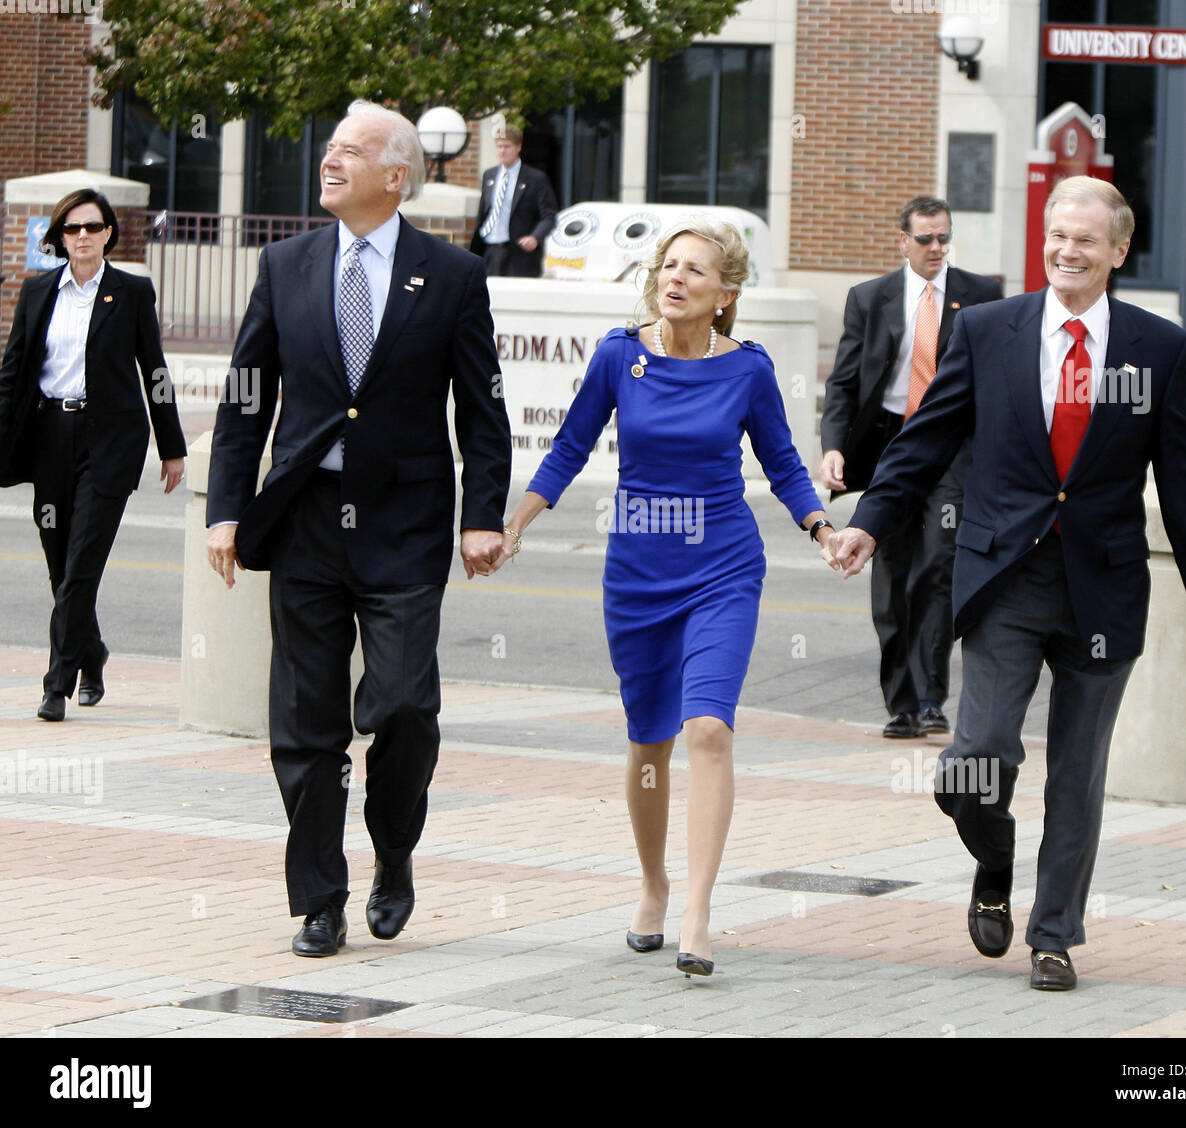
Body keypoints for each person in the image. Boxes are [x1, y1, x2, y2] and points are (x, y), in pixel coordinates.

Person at [833, 176, 1186, 991]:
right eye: (1058, 234)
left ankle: (1053, 934)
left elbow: (1184, 473)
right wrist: (870, 521)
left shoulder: (1158, 348)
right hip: (1005, 577)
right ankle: (995, 856)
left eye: (1087, 239)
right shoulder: (988, 330)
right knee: (975, 757)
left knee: (1077, 775)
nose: (1067, 250)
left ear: (1119, 251)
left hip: (1104, 584)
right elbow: (926, 437)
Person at [205, 101, 511, 958]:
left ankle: (394, 851)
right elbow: (244, 399)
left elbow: (481, 411)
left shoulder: (451, 276)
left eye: (351, 150)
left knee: (406, 705)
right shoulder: (286, 265)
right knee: (306, 725)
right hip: (303, 520)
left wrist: (483, 515)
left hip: (405, 523)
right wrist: (226, 506)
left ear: (395, 176)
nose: (330, 160)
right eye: (330, 147)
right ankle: (319, 900)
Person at [494, 219, 837, 976]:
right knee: (650, 740)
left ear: (725, 295)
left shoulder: (747, 368)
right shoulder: (621, 354)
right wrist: (515, 525)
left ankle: (698, 910)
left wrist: (821, 528)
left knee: (709, 729)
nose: (675, 277)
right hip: (639, 572)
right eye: (668, 265)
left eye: (694, 270)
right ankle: (653, 885)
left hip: (723, 567)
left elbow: (781, 460)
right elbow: (570, 446)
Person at [0, 188, 186, 722]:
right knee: (61, 565)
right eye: (72, 229)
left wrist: (171, 447)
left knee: (82, 563)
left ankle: (56, 683)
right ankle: (92, 651)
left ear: (108, 233)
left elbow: (155, 372)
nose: (83, 236)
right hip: (50, 437)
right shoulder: (37, 293)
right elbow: (14, 373)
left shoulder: (130, 292)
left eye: (93, 226)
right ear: (60, 238)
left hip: (111, 442)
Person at [820, 197, 1002, 739]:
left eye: (944, 238)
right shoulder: (869, 299)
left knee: (938, 567)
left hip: (949, 448)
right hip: (886, 448)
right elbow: (845, 382)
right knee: (892, 573)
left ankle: (930, 698)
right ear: (903, 241)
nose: (936, 249)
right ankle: (900, 702)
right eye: (925, 239)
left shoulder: (981, 296)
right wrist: (834, 446)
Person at [468, 124, 558, 278]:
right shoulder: (490, 175)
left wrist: (535, 237)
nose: (502, 151)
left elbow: (549, 215)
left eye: (507, 146)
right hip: (490, 251)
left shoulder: (535, 179)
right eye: (499, 146)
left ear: (518, 147)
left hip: (518, 254)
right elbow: (484, 212)